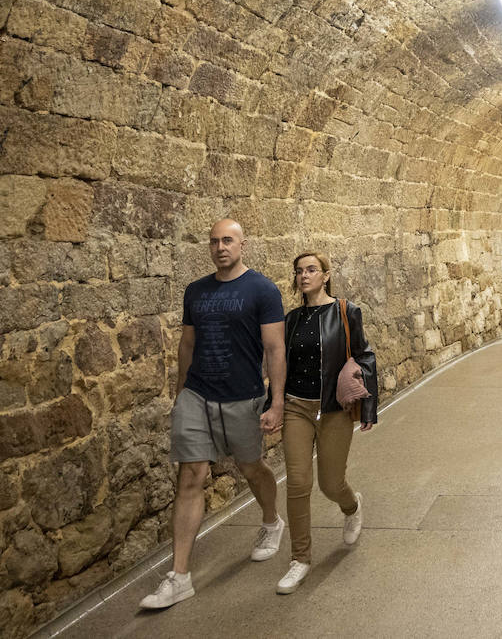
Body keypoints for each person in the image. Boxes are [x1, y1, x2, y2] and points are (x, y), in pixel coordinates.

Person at [141, 219, 287, 610]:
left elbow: (275, 349)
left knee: (251, 466)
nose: (221, 247)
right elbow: (187, 344)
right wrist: (180, 393)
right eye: (214, 241)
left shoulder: (262, 289)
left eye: (228, 240)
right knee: (191, 474)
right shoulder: (196, 291)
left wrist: (276, 401)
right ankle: (180, 576)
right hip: (197, 395)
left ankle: (272, 521)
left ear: (242, 245)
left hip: (243, 397)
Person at [276, 251, 379, 594]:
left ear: (325, 275)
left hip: (334, 409)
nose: (304, 276)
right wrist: (274, 405)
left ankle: (352, 507)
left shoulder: (346, 311)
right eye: (299, 271)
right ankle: (300, 559)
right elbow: (280, 365)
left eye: (311, 270)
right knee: (297, 483)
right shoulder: (291, 320)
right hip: (297, 408)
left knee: (330, 484)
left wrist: (368, 408)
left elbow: (364, 355)